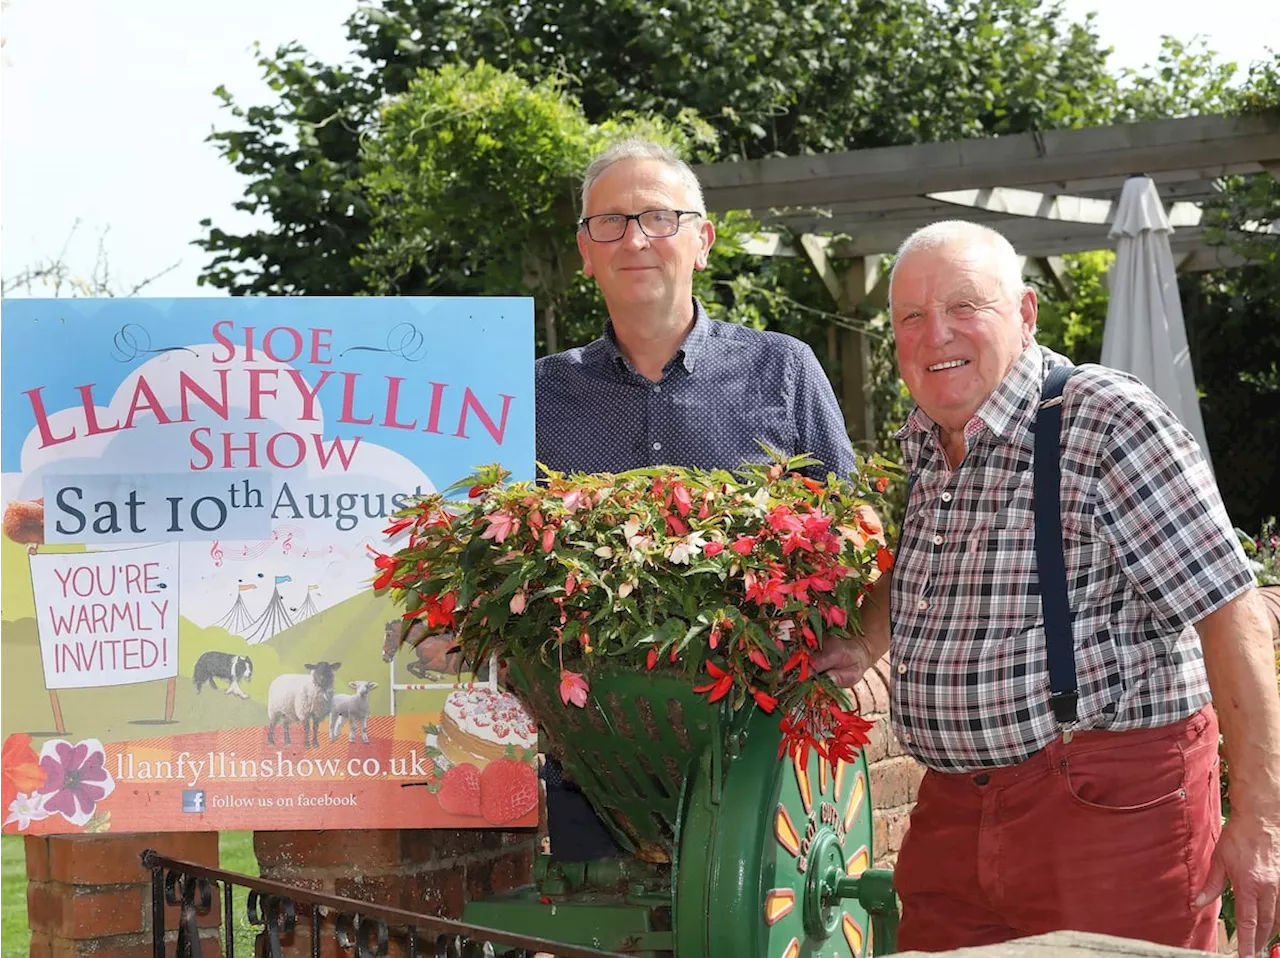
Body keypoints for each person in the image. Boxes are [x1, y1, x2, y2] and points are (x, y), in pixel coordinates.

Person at [812, 219, 1280, 957]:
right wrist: (864, 637)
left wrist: (1262, 818)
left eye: (965, 306)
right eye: (911, 316)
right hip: (952, 815)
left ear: (1026, 313)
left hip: (1107, 810)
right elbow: (926, 563)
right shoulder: (928, 434)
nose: (936, 334)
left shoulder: (1103, 418)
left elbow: (1230, 607)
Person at [534, 137, 859, 860]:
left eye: (657, 217)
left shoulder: (783, 371)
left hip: (758, 747)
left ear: (702, 241)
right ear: (584, 251)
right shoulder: (537, 395)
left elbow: (850, 537)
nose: (634, 240)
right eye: (609, 223)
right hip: (591, 764)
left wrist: (857, 644)